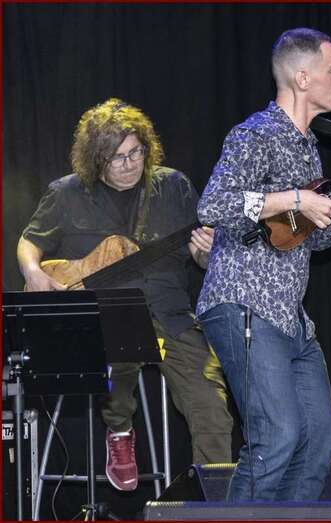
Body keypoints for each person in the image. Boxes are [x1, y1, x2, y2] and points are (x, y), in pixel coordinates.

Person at [196, 27, 331, 502]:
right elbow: (213, 205)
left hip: (289, 318)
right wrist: (294, 197)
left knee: (319, 439)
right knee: (276, 438)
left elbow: (311, 237)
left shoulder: (307, 144)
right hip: (244, 305)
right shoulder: (256, 133)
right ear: (303, 76)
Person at [17, 98, 234, 491]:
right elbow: (29, 243)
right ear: (96, 160)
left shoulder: (173, 186)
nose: (130, 163)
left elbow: (203, 258)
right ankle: (119, 430)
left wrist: (204, 252)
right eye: (117, 157)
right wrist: (33, 273)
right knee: (119, 347)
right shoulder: (66, 194)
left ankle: (215, 501)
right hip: (106, 318)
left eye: (136, 152)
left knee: (213, 405)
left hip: (171, 316)